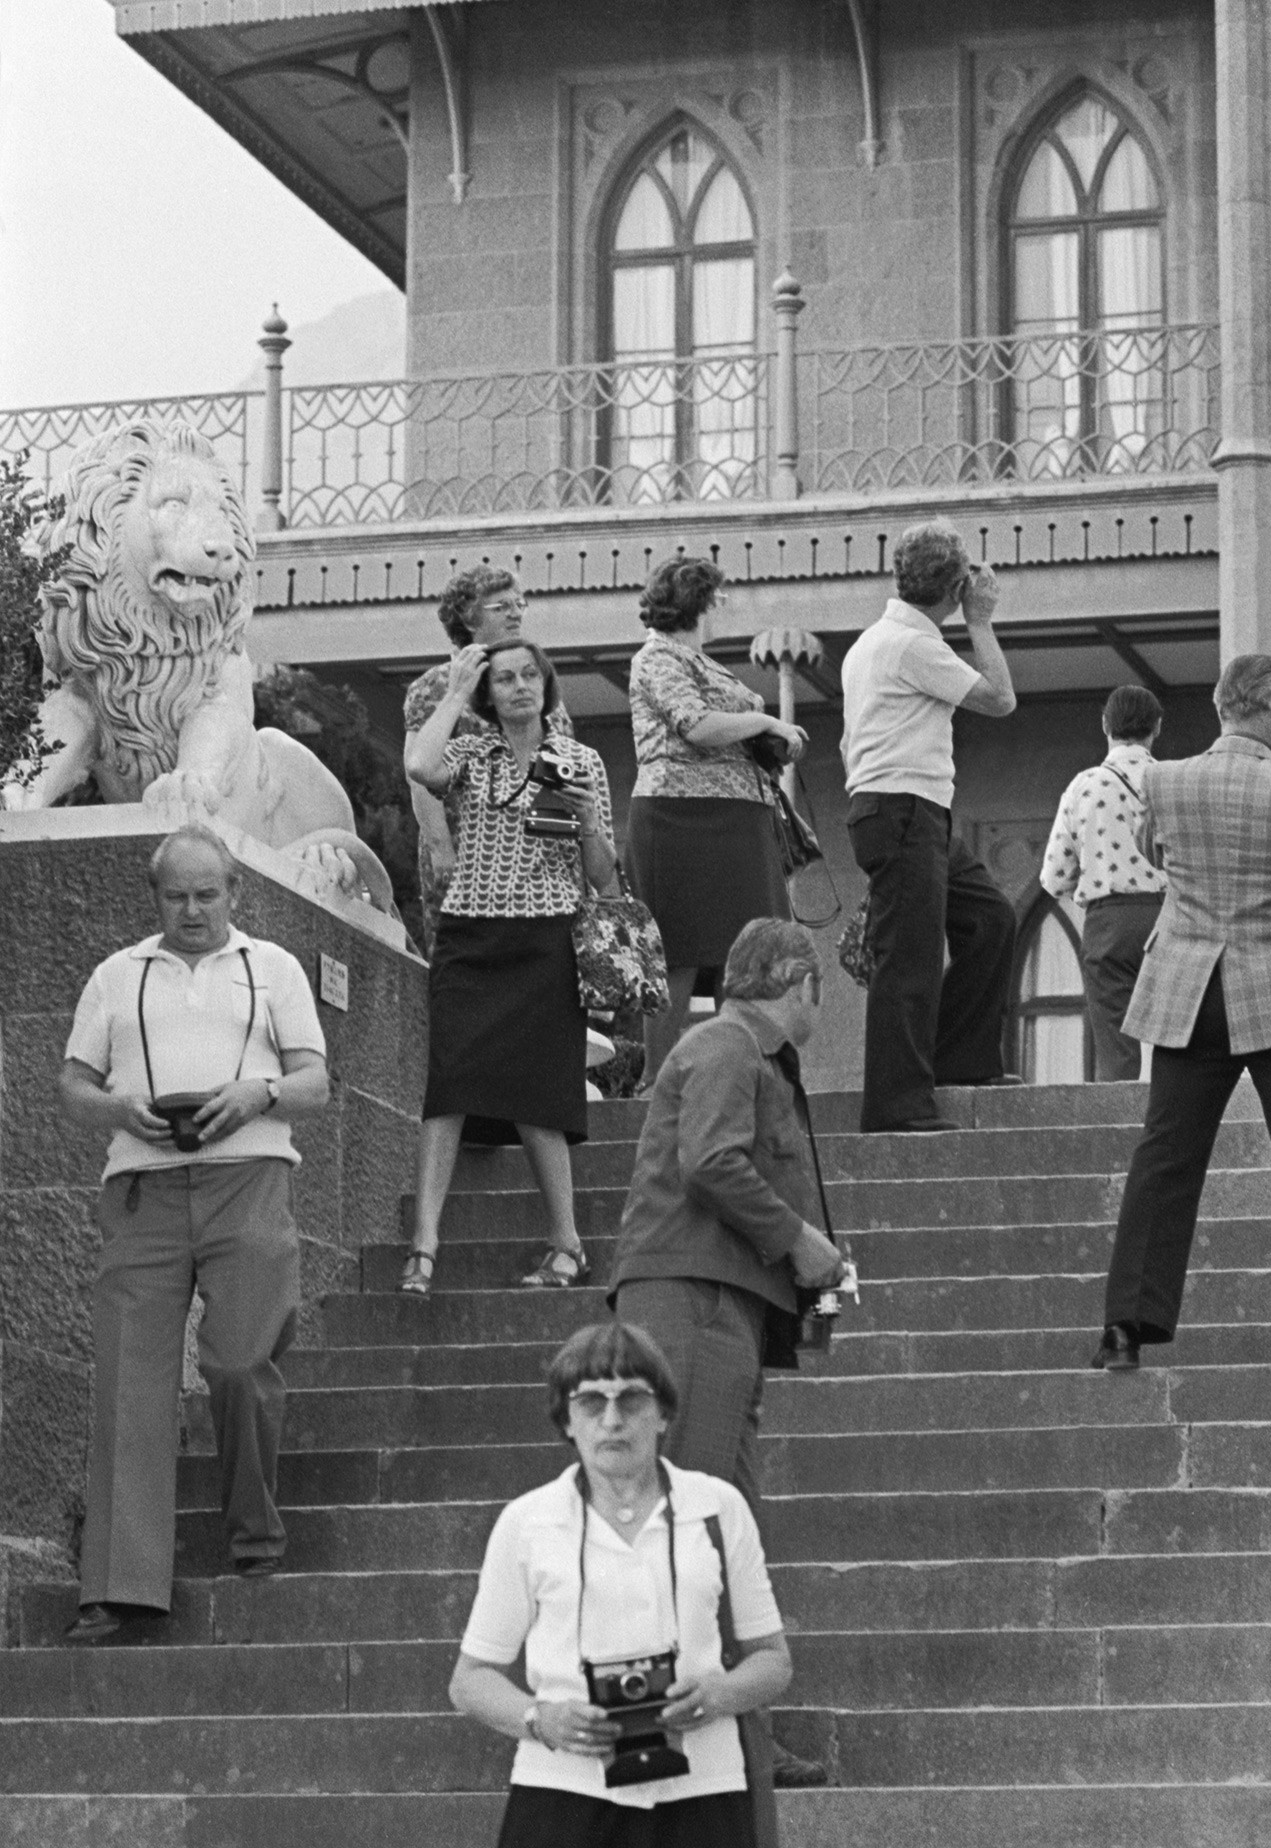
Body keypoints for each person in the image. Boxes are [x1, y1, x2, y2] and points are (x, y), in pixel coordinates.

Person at [59, 823, 330, 1643]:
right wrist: (119, 1109)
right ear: (155, 897)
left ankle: (252, 1533)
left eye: (207, 894)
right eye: (175, 895)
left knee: (245, 1361)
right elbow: (74, 1085)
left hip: (248, 1177)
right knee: (128, 1378)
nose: (191, 911)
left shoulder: (271, 967)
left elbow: (316, 1082)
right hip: (142, 1186)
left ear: (235, 893)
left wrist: (257, 1094)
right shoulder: (117, 976)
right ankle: (117, 1586)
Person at [609, 917, 842, 1791]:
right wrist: (799, 1241)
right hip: (693, 1301)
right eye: (818, 989)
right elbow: (712, 1160)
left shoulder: (739, 1052)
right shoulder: (729, 1047)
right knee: (681, 1526)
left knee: (725, 1534)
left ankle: (738, 1742)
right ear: (798, 984)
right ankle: (651, 1731)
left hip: (721, 1305)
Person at [450, 1321, 792, 1848]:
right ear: (567, 1419)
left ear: (663, 1414)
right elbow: (470, 1679)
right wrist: (541, 1719)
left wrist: (720, 1693)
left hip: (705, 1787)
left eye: (632, 1399)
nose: (612, 1421)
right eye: (591, 1402)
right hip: (562, 1788)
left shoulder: (717, 1507)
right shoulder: (527, 1521)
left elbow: (773, 1660)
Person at [1092, 655, 1271, 1372]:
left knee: (1166, 1160)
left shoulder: (1165, 778)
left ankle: (1125, 1328)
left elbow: (1156, 852)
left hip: (1187, 992)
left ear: (1220, 710)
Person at [402, 639, 617, 1293]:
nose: (520, 686)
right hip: (470, 937)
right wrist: (455, 691)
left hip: (545, 937)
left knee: (538, 1097)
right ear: (487, 695)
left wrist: (585, 821)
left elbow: (603, 876)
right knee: (450, 1089)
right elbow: (418, 763)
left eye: (530, 675)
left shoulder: (574, 761)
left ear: (546, 686)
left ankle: (567, 1245)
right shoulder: (470, 756)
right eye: (504, 679)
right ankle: (423, 1246)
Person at [839, 520, 1019, 1133]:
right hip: (903, 808)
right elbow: (1000, 699)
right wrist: (981, 620)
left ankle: (958, 1062)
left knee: (991, 919)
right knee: (908, 961)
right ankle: (896, 1105)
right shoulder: (913, 645)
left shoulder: (873, 642)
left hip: (907, 808)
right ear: (953, 588)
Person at [625, 557, 807, 1084]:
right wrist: (770, 719)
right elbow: (696, 725)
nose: (721, 607)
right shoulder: (657, 656)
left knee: (747, 952)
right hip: (678, 820)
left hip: (737, 820)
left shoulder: (701, 661)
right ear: (698, 601)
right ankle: (660, 1083)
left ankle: (741, 1074)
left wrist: (769, 744)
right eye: (718, 597)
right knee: (676, 954)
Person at [404, 566, 573, 950]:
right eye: (502, 606)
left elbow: (561, 777)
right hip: (463, 856)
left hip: (536, 862)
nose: (516, 613)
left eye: (520, 604)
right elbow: (418, 774)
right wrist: (441, 848)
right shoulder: (434, 687)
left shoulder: (537, 684)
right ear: (468, 617)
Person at [1040, 685, 1167, 1081]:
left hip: (1108, 923)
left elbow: (1055, 876)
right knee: (1177, 1038)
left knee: (1115, 1045)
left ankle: (1121, 1129)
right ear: (1156, 728)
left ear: (1105, 725)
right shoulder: (1173, 781)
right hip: (1170, 921)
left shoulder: (1084, 785)